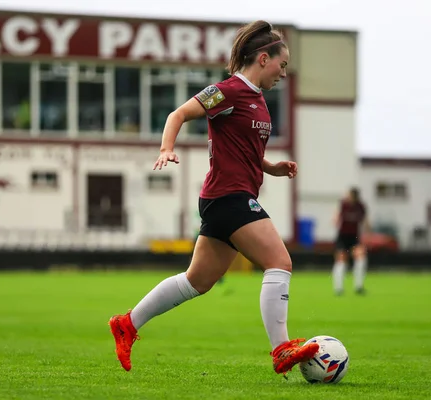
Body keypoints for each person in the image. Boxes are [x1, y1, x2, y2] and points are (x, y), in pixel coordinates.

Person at [109, 20, 319, 377]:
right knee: (279, 262)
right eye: (282, 65)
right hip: (229, 197)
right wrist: (166, 148)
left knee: (197, 281)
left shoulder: (257, 100)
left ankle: (127, 323)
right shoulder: (227, 91)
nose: (284, 74)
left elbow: (241, 149)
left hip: (227, 197)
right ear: (264, 58)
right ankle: (281, 349)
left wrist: (271, 168)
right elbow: (179, 114)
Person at [332, 187, 369, 295]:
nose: (347, 196)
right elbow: (336, 216)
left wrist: (368, 233)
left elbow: (365, 221)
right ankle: (338, 288)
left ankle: (359, 286)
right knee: (341, 261)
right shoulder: (343, 205)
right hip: (342, 237)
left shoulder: (360, 206)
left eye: (349, 195)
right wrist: (335, 219)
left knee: (361, 259)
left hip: (354, 237)